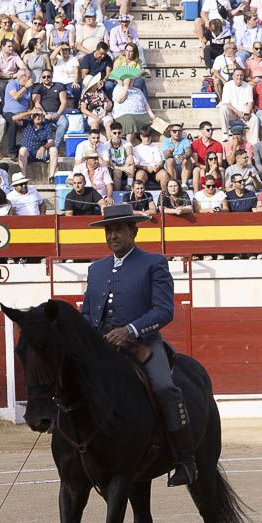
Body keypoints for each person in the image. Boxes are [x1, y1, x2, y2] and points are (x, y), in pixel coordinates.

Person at [80, 203, 196, 486]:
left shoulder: (154, 263)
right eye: (109, 230)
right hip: (102, 345)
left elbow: (164, 310)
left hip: (141, 343)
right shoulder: (96, 269)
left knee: (165, 387)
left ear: (134, 231)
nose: (112, 235)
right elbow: (87, 313)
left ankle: (186, 459)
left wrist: (131, 330)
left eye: (118, 229)